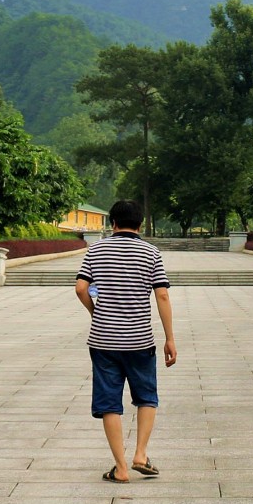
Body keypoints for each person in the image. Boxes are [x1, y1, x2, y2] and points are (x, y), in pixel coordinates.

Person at [75, 198, 177, 482]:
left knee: (109, 402)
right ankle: (140, 454)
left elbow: (81, 288)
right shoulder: (151, 253)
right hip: (140, 340)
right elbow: (162, 294)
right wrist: (170, 338)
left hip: (103, 340)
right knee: (146, 397)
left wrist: (96, 312)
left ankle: (120, 468)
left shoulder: (96, 250)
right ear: (140, 224)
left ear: (113, 223)